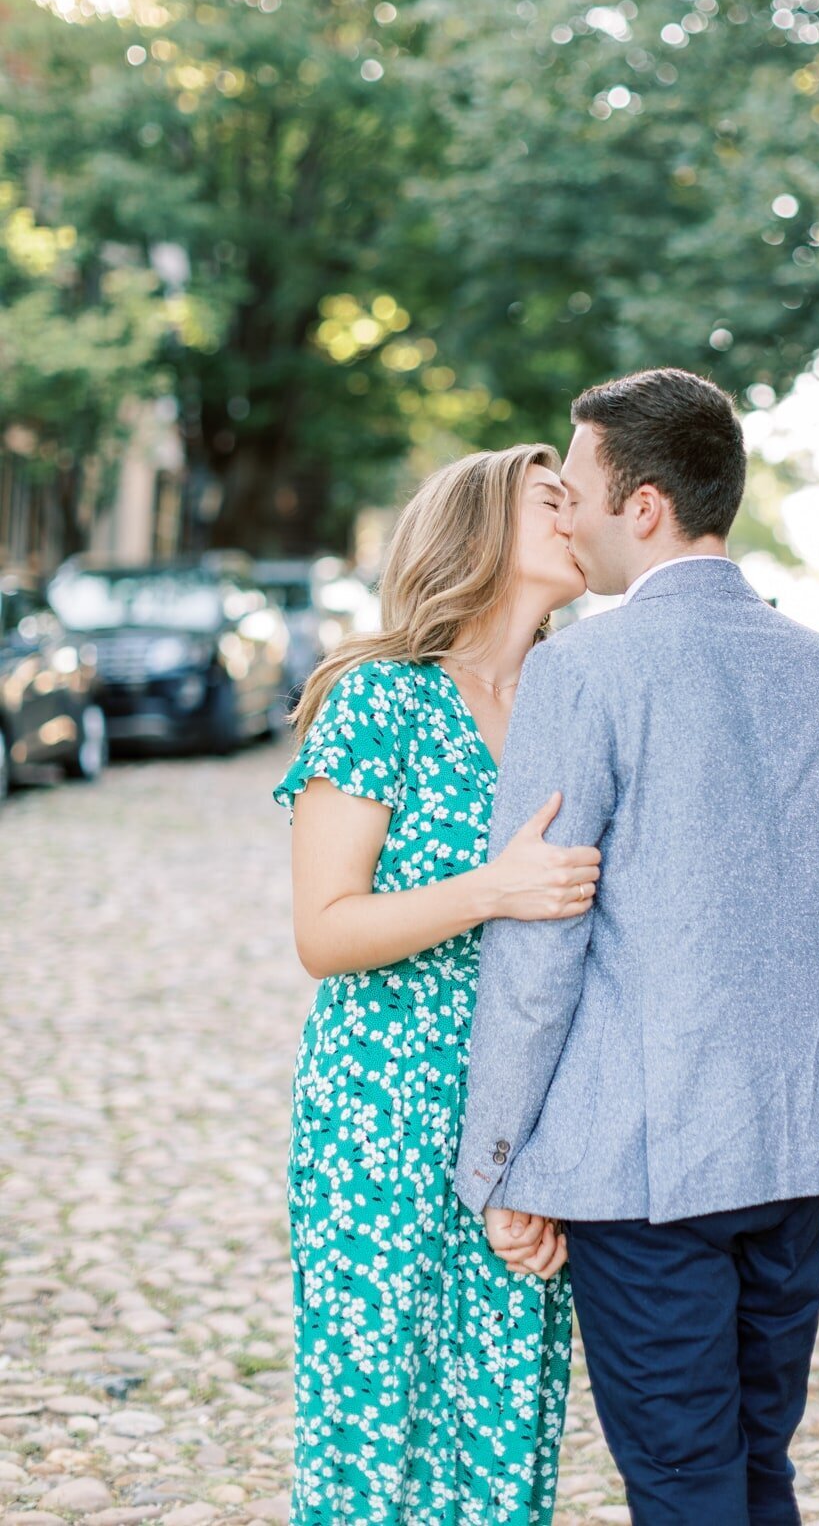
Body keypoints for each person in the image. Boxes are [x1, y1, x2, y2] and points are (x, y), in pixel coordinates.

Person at [455, 368, 819, 1526]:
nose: (571, 514)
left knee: (687, 1487)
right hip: (791, 1157)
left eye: (580, 485)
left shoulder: (580, 671)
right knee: (760, 1470)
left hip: (642, 1176)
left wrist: (496, 1160)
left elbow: (540, 943)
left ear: (643, 505)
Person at [273, 445, 600, 1526]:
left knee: (507, 1418)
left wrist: (559, 1153)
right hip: (381, 1117)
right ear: (480, 535)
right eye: (552, 498)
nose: (579, 511)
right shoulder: (381, 700)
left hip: (520, 1131)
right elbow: (324, 931)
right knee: (375, 1429)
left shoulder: (576, 700)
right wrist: (494, 889)